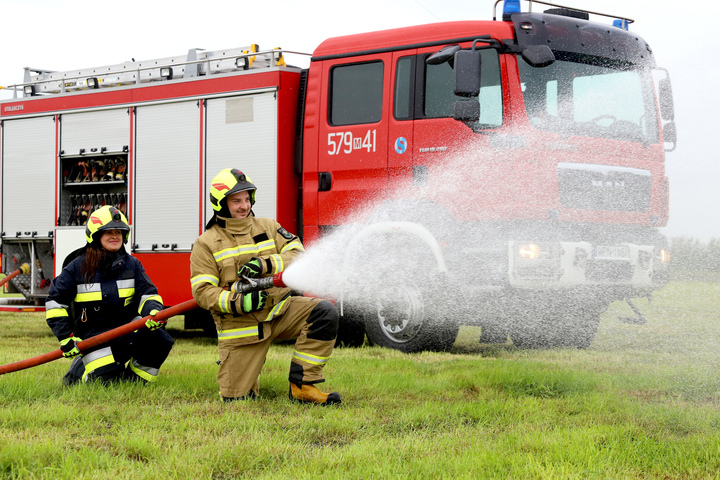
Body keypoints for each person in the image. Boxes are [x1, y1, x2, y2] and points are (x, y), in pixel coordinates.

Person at [190, 168, 341, 405]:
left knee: (323, 313)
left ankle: (303, 385)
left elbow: (298, 254)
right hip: (241, 326)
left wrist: (265, 263)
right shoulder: (205, 243)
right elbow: (202, 292)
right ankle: (243, 384)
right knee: (238, 401)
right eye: (236, 200)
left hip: (280, 311)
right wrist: (240, 302)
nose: (244, 206)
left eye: (247, 199)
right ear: (220, 203)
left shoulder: (268, 227)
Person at [45, 205, 175, 385]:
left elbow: (148, 293)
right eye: (108, 232)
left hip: (128, 331)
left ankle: (135, 382)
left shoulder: (132, 265)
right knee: (103, 383)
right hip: (94, 338)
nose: (115, 236)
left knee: (158, 340)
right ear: (96, 236)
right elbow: (55, 302)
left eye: (119, 231)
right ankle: (79, 372)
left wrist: (152, 312)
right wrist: (66, 337)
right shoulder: (77, 267)